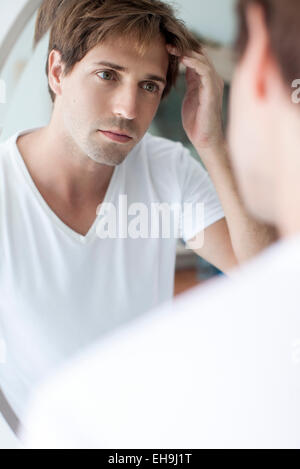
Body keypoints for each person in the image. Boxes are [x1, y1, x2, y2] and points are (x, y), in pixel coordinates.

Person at [21, 0, 300, 449]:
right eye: (107, 75)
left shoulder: (165, 168)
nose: (129, 108)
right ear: (57, 72)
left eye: (149, 86)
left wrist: (210, 141)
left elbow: (261, 273)